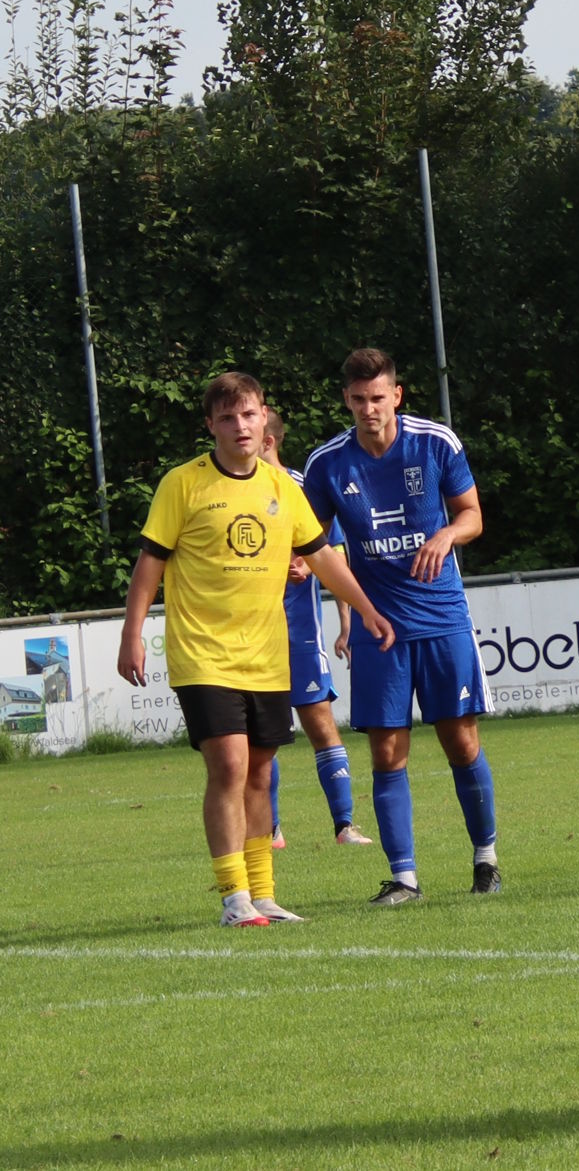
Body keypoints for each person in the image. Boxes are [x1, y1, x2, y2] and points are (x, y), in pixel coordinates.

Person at [117, 372, 394, 928]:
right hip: (203, 653)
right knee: (229, 765)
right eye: (227, 418)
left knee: (262, 773)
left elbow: (321, 555)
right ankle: (233, 897)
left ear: (264, 417)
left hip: (268, 654)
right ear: (211, 426)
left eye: (248, 415)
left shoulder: (282, 487)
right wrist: (132, 634)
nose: (240, 426)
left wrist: (365, 608)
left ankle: (263, 894)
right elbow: (151, 563)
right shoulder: (183, 484)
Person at [301, 350, 501, 906]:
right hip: (378, 625)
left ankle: (486, 858)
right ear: (347, 400)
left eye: (378, 397)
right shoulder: (327, 464)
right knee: (387, 752)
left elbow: (472, 515)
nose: (370, 409)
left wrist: (447, 535)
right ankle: (404, 878)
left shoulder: (435, 442)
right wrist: (305, 565)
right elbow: (313, 541)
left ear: (397, 395)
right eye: (358, 400)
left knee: (461, 741)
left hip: (441, 617)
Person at [259, 412, 374, 849]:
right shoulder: (234, 488)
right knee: (261, 737)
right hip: (254, 637)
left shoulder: (304, 488)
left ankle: (344, 825)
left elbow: (333, 553)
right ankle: (270, 829)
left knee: (321, 724)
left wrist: (345, 622)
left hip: (301, 633)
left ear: (269, 441)